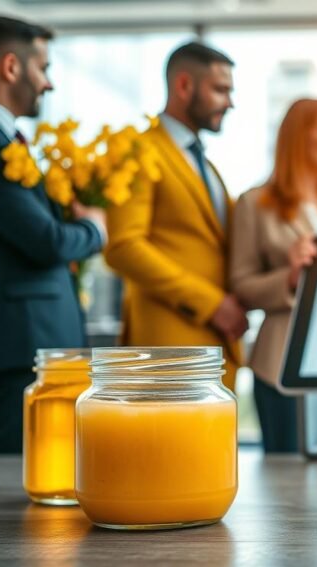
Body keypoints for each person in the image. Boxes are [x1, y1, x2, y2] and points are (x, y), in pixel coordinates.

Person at [0, 15, 105, 453]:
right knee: (2, 492)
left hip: (29, 340)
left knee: (37, 482)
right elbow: (46, 242)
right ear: (11, 67)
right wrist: (94, 228)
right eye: (44, 68)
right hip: (13, 344)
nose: (49, 84)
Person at [104, 41, 245, 390]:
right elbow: (123, 246)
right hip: (167, 348)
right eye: (220, 90)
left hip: (213, 348)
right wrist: (211, 304)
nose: (230, 102)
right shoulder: (139, 149)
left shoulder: (206, 164)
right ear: (184, 86)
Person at [230, 99, 317, 453]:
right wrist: (290, 277)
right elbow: (241, 285)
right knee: (288, 479)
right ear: (297, 137)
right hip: (282, 364)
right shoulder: (255, 204)